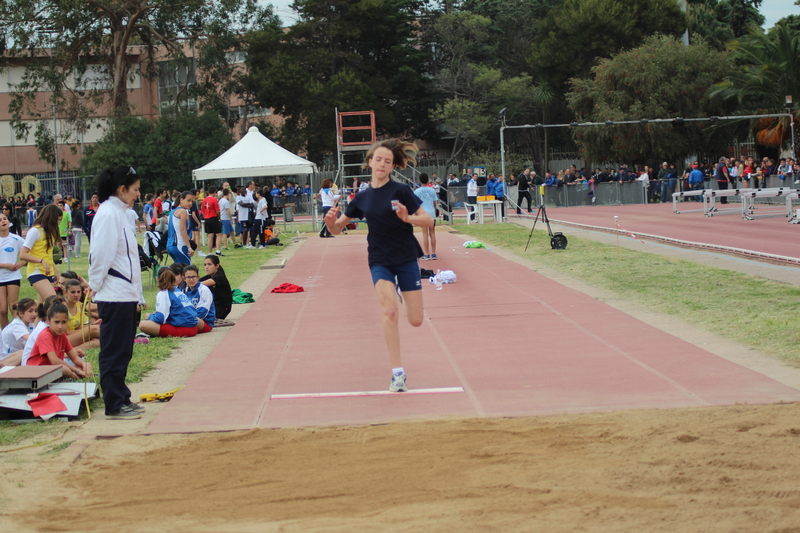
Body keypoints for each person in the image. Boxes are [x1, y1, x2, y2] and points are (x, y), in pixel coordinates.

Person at [323, 139, 434, 393]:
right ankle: (397, 374)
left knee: (415, 320)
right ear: (370, 162)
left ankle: (402, 297)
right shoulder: (361, 197)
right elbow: (338, 229)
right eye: (378, 159)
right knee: (390, 313)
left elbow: (428, 220)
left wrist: (408, 217)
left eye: (387, 161)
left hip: (406, 257)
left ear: (393, 165)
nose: (382, 164)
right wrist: (330, 223)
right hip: (380, 260)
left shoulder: (402, 191)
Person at [88, 165, 146, 420]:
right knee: (113, 350)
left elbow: (130, 258)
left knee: (124, 350)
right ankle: (113, 403)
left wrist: (138, 295)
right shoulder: (108, 214)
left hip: (125, 293)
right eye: (135, 190)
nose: (138, 195)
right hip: (113, 294)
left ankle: (121, 395)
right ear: (121, 190)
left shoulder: (122, 213)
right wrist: (96, 285)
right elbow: (100, 255)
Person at [26, 300, 93, 380]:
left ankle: (80, 374)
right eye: (56, 322)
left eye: (63, 322)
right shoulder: (45, 335)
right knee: (64, 369)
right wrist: (77, 371)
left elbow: (74, 357)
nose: (60, 326)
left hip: (52, 369)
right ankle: (73, 377)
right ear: (48, 320)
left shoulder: (62, 335)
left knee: (86, 364)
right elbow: (54, 361)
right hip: (36, 371)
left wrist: (83, 365)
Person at [138, 268, 198, 338]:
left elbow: (160, 319)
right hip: (194, 326)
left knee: (143, 324)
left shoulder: (163, 293)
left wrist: (149, 316)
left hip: (184, 329)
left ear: (157, 279)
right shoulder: (177, 290)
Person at [20, 203, 61, 303]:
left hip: (48, 272)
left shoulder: (50, 233)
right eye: (58, 220)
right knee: (53, 302)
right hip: (36, 271)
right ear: (51, 218)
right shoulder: (35, 231)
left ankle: (38, 319)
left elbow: (48, 255)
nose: (59, 223)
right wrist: (41, 261)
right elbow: (23, 254)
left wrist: (55, 271)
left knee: (42, 307)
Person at [0, 212, 25, 327]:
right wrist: (6, 265)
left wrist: (21, 263)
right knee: (3, 310)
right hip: (1, 278)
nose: (3, 221)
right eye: (0, 221)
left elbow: (29, 253)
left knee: (13, 307)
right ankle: (5, 336)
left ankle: (17, 333)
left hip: (13, 276)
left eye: (4, 219)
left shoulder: (16, 239)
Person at [63, 278, 101, 349]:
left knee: (97, 341)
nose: (76, 295)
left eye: (78, 292)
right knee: (95, 329)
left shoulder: (79, 305)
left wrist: (92, 325)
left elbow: (79, 326)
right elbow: (66, 333)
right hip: (62, 338)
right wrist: (90, 329)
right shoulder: (62, 307)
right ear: (65, 293)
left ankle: (73, 350)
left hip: (74, 336)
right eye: (73, 292)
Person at [183, 265, 215, 333]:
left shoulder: (204, 290)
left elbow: (202, 313)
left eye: (194, 277)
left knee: (193, 320)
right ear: (184, 279)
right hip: (189, 319)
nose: (191, 280)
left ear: (198, 277)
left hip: (204, 322)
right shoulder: (185, 290)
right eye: (188, 277)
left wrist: (185, 318)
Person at [200, 255, 232, 320]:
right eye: (205, 265)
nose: (206, 267)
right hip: (213, 306)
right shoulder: (209, 276)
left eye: (209, 264)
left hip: (222, 308)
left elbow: (199, 285)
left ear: (217, 266)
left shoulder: (220, 277)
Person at [166, 191, 195, 264]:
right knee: (187, 270)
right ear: (181, 200)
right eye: (188, 200)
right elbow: (182, 230)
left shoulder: (172, 211)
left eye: (192, 201)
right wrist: (189, 247)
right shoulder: (183, 211)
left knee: (178, 272)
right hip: (179, 245)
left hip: (170, 245)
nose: (190, 203)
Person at [414, 173, 438, 260]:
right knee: (432, 233)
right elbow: (435, 203)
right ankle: (434, 253)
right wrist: (434, 212)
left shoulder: (417, 191)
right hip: (431, 213)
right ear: (428, 180)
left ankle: (427, 254)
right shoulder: (432, 190)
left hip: (423, 214)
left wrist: (416, 215)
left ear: (419, 181)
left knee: (425, 234)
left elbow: (415, 204)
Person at [201, 186, 224, 256]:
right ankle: (218, 250)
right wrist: (219, 217)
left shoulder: (204, 200)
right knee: (219, 234)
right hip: (213, 218)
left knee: (210, 236)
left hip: (206, 218)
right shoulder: (214, 200)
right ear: (214, 192)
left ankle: (210, 252)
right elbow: (217, 211)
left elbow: (202, 211)